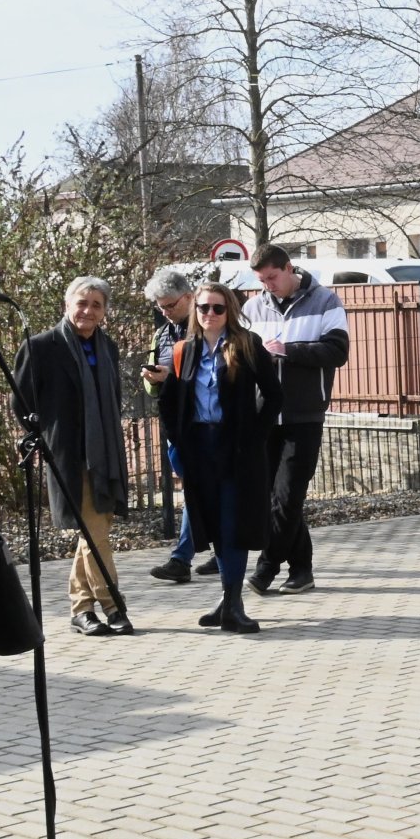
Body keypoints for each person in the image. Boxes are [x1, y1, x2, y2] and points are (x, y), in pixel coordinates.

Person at [159, 281, 283, 634]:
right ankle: (229, 599)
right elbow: (169, 401)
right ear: (194, 311)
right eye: (203, 308)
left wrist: (254, 437)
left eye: (218, 308)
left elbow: (273, 396)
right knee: (213, 525)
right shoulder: (185, 349)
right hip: (199, 449)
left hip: (236, 451)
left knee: (234, 527)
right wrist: (177, 440)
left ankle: (233, 604)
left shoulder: (246, 344)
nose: (210, 314)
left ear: (229, 310)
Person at [15, 276, 133, 636]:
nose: (88, 311)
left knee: (95, 531)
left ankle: (81, 609)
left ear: (104, 312)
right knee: (94, 531)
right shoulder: (41, 347)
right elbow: (21, 401)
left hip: (106, 453)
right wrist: (46, 435)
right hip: (69, 455)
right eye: (82, 303)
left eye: (97, 305)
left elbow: (113, 397)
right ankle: (112, 605)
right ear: (67, 305)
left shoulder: (108, 347)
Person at [242, 244, 350, 595]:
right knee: (273, 497)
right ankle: (302, 570)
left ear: (289, 268)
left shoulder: (325, 301)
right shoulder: (252, 307)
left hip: (304, 414)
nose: (267, 286)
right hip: (264, 414)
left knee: (287, 496)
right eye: (261, 280)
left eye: (272, 277)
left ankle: (266, 568)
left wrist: (288, 351)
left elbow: (337, 351)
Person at [143, 266, 217, 584]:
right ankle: (222, 550)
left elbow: (210, 375)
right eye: (160, 307)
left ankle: (181, 558)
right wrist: (152, 378)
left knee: (195, 489)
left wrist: (171, 376)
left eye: (170, 305)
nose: (165, 312)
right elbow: (152, 388)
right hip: (175, 426)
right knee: (202, 490)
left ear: (188, 297)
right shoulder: (161, 333)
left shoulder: (207, 326)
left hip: (204, 424)